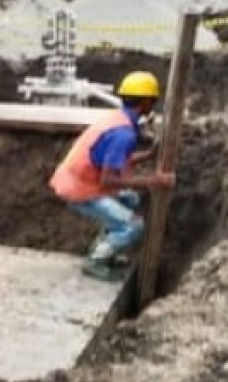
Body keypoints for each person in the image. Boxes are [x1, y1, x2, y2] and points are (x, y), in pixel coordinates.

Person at [50, 71, 176, 281]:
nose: (154, 104)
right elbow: (108, 180)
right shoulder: (123, 134)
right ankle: (96, 260)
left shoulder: (117, 119)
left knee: (130, 199)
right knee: (134, 225)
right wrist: (153, 180)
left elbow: (112, 159)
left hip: (79, 180)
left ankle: (106, 248)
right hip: (81, 189)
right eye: (153, 100)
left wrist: (148, 155)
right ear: (145, 102)